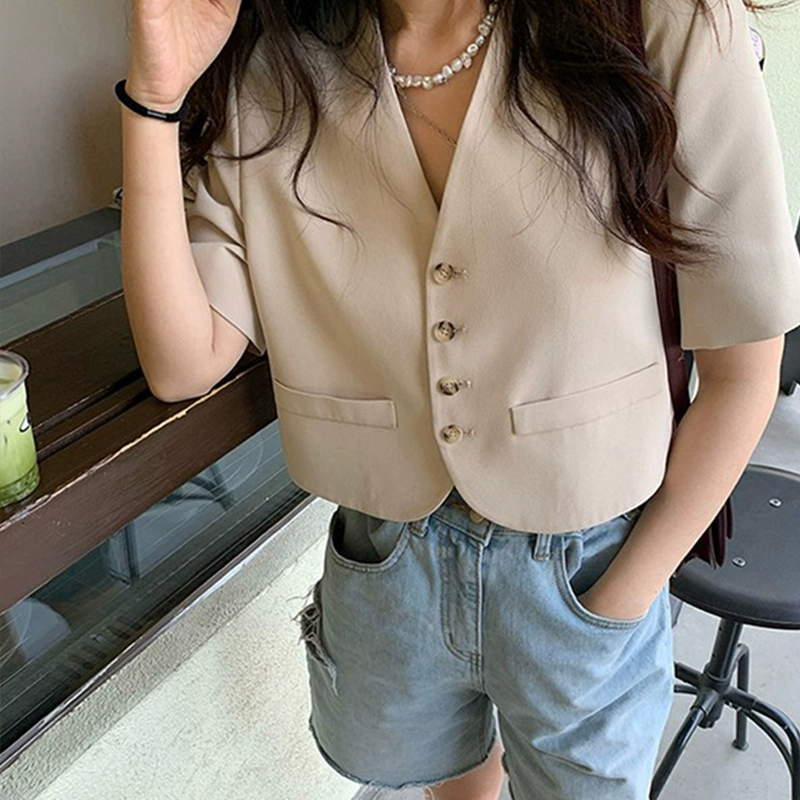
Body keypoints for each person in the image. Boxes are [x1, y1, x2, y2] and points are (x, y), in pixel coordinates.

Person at [119, 0, 800, 797]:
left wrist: (623, 598)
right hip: (388, 555)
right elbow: (182, 361)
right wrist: (154, 100)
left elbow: (742, 372)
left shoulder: (660, 20)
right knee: (447, 785)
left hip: (589, 560)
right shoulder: (277, 65)